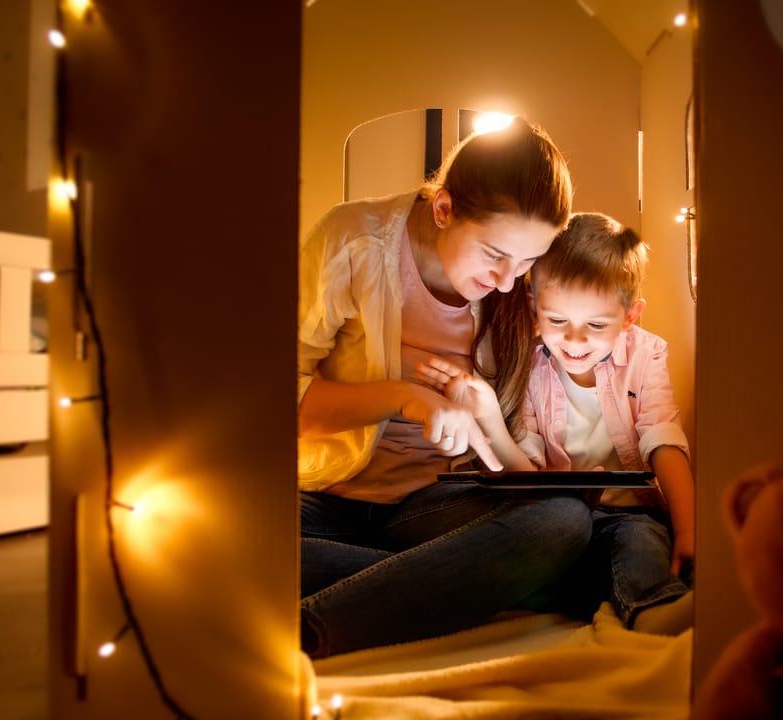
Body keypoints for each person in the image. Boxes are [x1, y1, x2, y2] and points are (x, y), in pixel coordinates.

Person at [297, 118, 593, 658]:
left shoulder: (518, 294)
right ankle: (445, 583)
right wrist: (407, 397)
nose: (507, 280)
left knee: (563, 523)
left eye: (527, 262)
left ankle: (316, 622)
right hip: (323, 498)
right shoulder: (353, 239)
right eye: (494, 254)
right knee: (225, 542)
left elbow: (517, 467)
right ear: (443, 210)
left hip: (431, 507)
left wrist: (484, 419)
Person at [420, 212, 695, 635]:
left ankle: (653, 606)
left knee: (639, 543)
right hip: (556, 519)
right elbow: (523, 471)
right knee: (535, 548)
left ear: (629, 316)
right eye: (558, 321)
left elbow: (663, 439)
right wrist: (492, 420)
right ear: (535, 310)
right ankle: (587, 594)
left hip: (628, 515)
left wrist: (688, 529)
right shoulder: (530, 364)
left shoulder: (645, 355)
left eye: (597, 325)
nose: (575, 340)